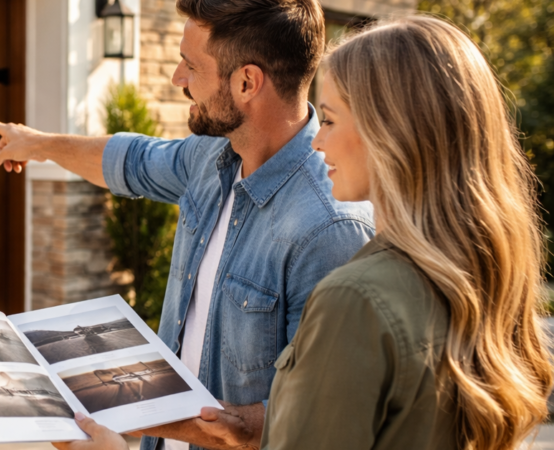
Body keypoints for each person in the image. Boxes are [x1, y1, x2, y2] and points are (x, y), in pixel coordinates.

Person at [51, 15, 554, 450]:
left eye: (329, 119)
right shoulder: (461, 274)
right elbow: (139, 160)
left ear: (389, 136)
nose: (317, 142)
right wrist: (37, 144)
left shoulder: (352, 285)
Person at [0, 0, 373, 448]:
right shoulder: (213, 156)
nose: (177, 78)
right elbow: (132, 160)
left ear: (247, 82)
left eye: (191, 65)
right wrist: (39, 144)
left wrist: (114, 404)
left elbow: (313, 418)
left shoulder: (330, 229)